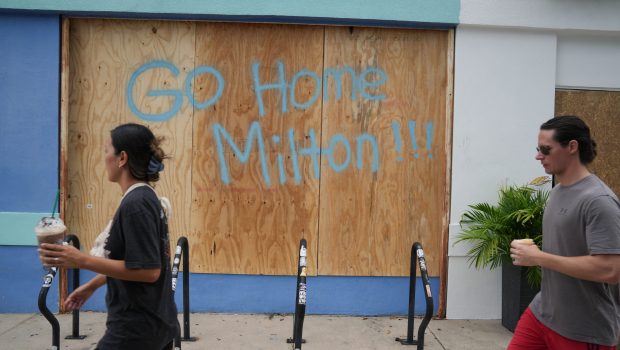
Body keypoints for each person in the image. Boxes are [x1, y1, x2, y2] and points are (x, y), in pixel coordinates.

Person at [39, 123, 178, 350]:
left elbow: (150, 271)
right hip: (154, 325)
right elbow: (139, 259)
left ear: (122, 158)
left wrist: (80, 259)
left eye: (106, 151)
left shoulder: (136, 205)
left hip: (135, 331)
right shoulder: (145, 198)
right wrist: (93, 284)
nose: (104, 158)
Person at [508, 115, 620, 349]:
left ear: (572, 147)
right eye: (538, 149)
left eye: (546, 150)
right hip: (542, 313)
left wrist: (538, 258)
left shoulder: (598, 201)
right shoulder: (557, 191)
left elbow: (610, 269)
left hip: (582, 329)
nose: (539, 156)